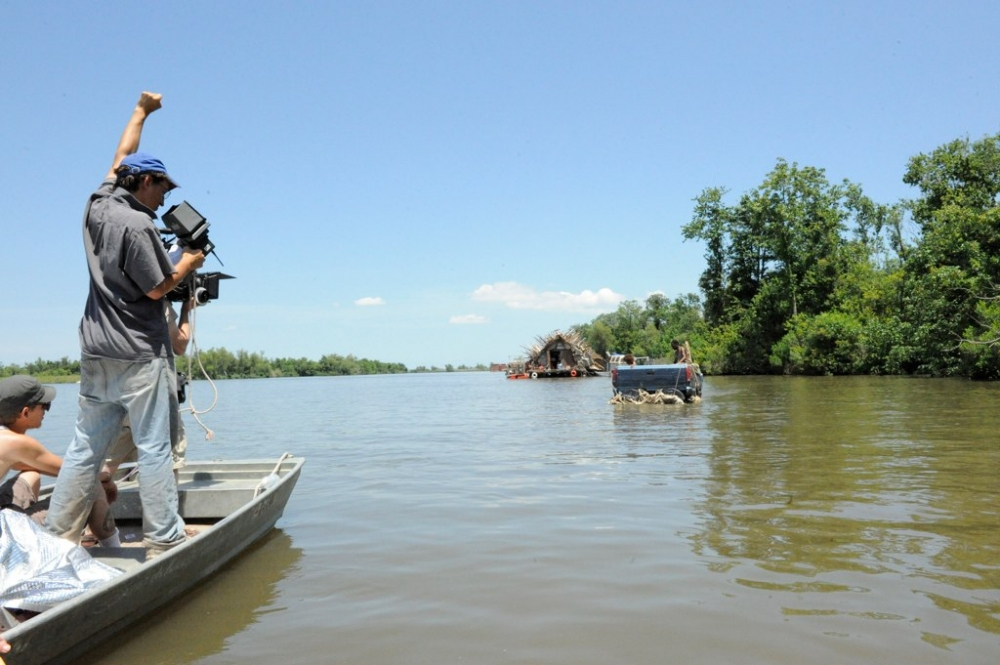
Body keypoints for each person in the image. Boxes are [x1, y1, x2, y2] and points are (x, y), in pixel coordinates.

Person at [44, 91, 205, 556]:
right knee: (154, 448)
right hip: (138, 354)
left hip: (96, 351)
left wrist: (141, 112)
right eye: (163, 188)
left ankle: (57, 540)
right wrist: (189, 260)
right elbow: (158, 288)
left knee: (83, 449)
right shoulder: (138, 226)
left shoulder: (99, 203)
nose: (165, 196)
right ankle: (164, 538)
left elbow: (120, 159)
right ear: (147, 182)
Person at [0, 375, 119, 547]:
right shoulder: (17, 443)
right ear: (25, 412)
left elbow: (34, 466)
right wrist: (106, 479)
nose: (45, 412)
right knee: (90, 485)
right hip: (4, 537)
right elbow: (79, 473)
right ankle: (114, 549)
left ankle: (30, 525)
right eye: (45, 406)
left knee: (32, 473)